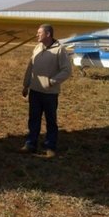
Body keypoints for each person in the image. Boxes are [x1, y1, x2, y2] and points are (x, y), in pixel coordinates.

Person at [21, 24, 72, 158]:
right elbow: (30, 67)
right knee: (33, 119)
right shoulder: (37, 48)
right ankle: (30, 144)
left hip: (50, 93)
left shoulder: (60, 50)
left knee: (51, 120)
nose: (37, 35)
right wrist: (26, 85)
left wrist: (51, 82)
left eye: (39, 32)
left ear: (48, 34)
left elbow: (66, 70)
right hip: (35, 91)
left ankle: (50, 147)